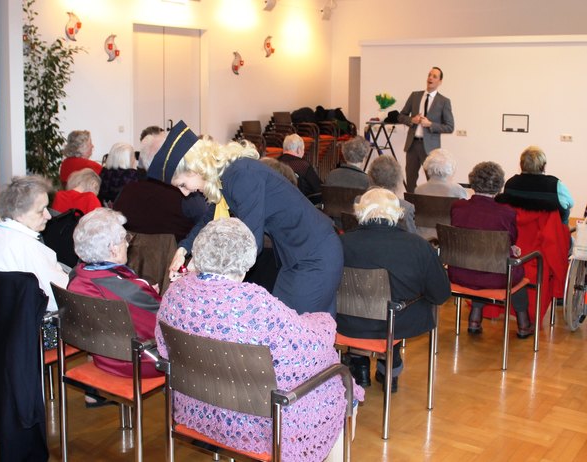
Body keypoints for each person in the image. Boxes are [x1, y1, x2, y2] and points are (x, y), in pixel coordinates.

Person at [155, 218, 363, 461]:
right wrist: (323, 321)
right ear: (245, 262)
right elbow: (310, 345)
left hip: (199, 409)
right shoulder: (253, 302)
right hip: (255, 422)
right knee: (339, 388)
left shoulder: (176, 292)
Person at [150, 120, 343, 316]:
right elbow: (209, 218)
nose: (185, 193)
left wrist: (203, 269)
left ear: (196, 168)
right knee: (286, 326)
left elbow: (251, 241)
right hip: (296, 255)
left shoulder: (242, 175)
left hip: (315, 255)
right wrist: (184, 249)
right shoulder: (227, 175)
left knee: (292, 330)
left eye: (183, 184)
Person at [338, 188, 450, 391]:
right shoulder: (417, 245)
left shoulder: (339, 242)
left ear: (359, 211)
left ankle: (358, 363)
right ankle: (391, 365)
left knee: (374, 305)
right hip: (396, 323)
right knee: (399, 303)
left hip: (346, 322)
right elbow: (440, 293)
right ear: (398, 213)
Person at [67, 208, 162, 378]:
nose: (127, 243)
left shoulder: (77, 276)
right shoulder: (128, 290)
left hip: (102, 357)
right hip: (139, 361)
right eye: (124, 238)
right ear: (113, 249)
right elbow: (165, 322)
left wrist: (143, 292)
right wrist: (149, 295)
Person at [449, 161, 535, 337]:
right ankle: (524, 324)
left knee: (483, 262)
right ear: (499, 186)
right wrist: (512, 248)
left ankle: (475, 318)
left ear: (473, 181)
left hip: (459, 273)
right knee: (513, 268)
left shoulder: (458, 207)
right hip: (496, 278)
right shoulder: (506, 213)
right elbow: (511, 238)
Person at [0, 175, 69, 312]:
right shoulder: (28, 248)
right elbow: (60, 299)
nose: (49, 216)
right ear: (19, 214)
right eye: (41, 211)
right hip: (27, 320)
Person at [113, 131, 208, 242]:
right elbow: (208, 224)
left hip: (133, 257)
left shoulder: (127, 191)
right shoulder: (186, 194)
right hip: (180, 257)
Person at [398, 67, 455, 193]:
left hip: (431, 149)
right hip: (412, 145)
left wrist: (430, 124)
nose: (430, 78)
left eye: (435, 76)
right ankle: (412, 206)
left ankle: (431, 206)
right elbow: (401, 116)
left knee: (433, 180)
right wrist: (411, 120)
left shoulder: (444, 101)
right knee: (411, 179)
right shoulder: (415, 96)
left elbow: (450, 127)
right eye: (429, 75)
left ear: (440, 81)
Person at [496, 145, 574, 224]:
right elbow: (570, 204)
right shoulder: (556, 185)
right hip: (552, 234)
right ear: (543, 166)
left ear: (521, 164)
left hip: (519, 234)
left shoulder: (510, 184)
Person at [368, 155, 417, 234]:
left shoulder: (360, 202)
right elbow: (413, 239)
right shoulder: (405, 208)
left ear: (370, 176)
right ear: (397, 179)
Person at [278, 133, 322, 201]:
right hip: (301, 205)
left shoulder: (274, 163)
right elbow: (318, 189)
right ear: (298, 150)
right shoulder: (304, 166)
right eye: (303, 149)